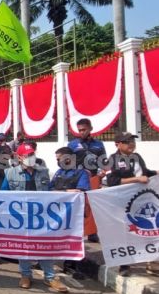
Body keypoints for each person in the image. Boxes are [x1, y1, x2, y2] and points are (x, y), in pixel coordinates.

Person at [1, 143, 69, 293]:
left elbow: (50, 190)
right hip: (21, 217)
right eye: (26, 155)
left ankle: (50, 277)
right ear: (19, 157)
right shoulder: (10, 173)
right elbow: (3, 195)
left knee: (44, 245)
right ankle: (26, 275)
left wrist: (69, 193)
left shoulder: (43, 172)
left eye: (32, 154)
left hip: (42, 216)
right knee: (24, 246)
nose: (30, 158)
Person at [106, 132, 159, 277]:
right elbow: (112, 181)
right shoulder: (112, 159)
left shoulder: (137, 157)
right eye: (127, 141)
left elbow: (145, 173)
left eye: (132, 141)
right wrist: (135, 180)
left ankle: (152, 263)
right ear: (117, 144)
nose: (131, 144)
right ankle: (124, 265)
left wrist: (155, 173)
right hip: (122, 203)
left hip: (141, 200)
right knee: (125, 232)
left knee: (149, 230)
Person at [49, 147, 91, 280]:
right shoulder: (59, 172)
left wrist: (61, 191)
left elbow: (80, 191)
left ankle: (72, 265)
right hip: (58, 211)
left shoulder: (81, 173)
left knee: (74, 238)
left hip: (75, 213)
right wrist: (66, 192)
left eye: (58, 158)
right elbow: (49, 189)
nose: (57, 161)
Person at [68, 118, 107, 243]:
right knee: (78, 206)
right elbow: (67, 162)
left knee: (92, 207)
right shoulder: (72, 144)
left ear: (90, 128)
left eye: (84, 129)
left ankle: (92, 233)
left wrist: (103, 172)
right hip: (78, 179)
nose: (82, 132)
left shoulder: (99, 144)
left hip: (94, 178)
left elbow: (103, 161)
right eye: (79, 130)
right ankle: (77, 233)